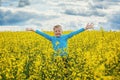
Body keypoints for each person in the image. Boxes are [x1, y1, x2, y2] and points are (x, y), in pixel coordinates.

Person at [26, 23, 94, 56]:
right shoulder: (52, 38)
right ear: (54, 32)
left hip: (65, 57)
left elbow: (74, 33)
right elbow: (43, 34)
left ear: (62, 31)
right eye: (56, 31)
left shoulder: (65, 37)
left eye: (59, 31)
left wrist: (85, 28)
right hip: (56, 57)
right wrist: (33, 30)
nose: (57, 32)